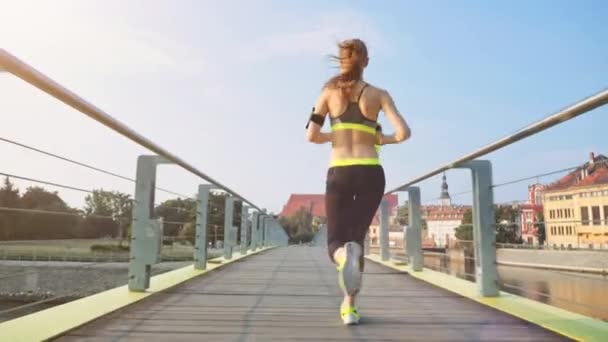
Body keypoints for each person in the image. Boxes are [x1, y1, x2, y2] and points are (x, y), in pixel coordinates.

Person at [305, 38, 411, 325]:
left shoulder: (327, 93)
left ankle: (341, 259)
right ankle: (350, 306)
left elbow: (311, 135)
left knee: (336, 242)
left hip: (340, 172)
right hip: (371, 173)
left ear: (341, 62)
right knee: (357, 239)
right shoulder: (379, 94)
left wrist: (335, 135)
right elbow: (403, 133)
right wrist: (380, 138)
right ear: (365, 62)